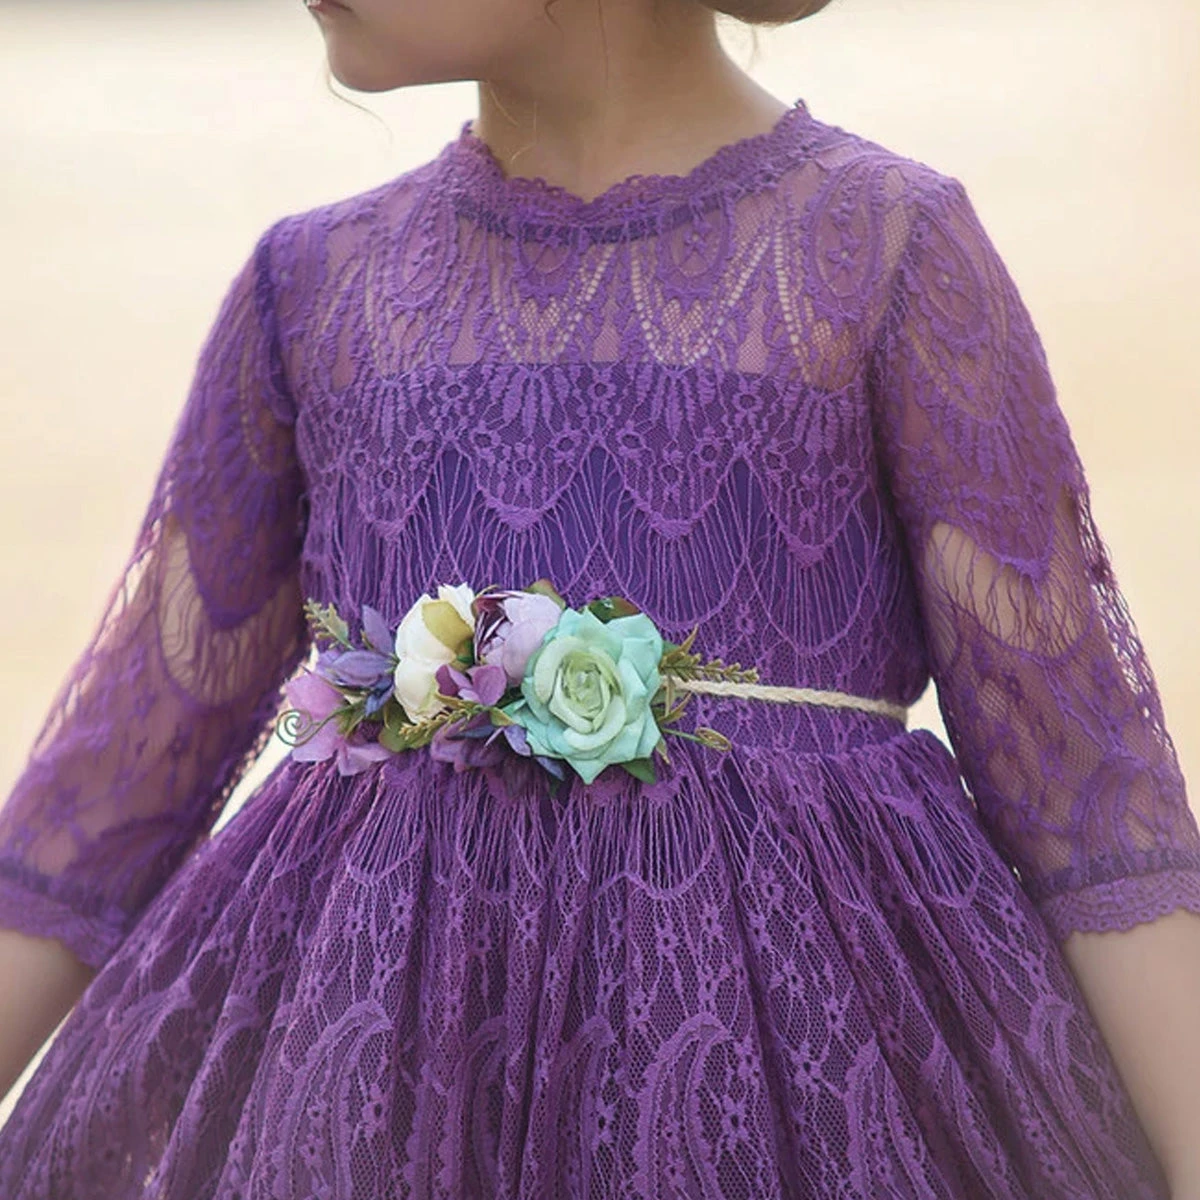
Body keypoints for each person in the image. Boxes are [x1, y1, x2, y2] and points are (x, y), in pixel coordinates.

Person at [1, 0, 1198, 1195]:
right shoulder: (310, 289)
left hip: (790, 1100)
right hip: (375, 1108)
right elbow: (106, 793)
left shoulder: (878, 249)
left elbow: (1088, 800)